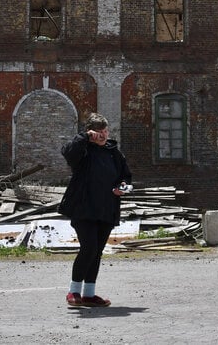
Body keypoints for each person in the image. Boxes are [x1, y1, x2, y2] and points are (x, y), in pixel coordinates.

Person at [58, 112, 132, 308]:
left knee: (97, 251)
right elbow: (67, 152)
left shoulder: (114, 152)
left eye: (105, 131)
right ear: (90, 132)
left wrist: (123, 187)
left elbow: (126, 177)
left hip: (107, 209)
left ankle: (89, 294)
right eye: (98, 132)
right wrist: (85, 137)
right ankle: (73, 291)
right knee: (88, 248)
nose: (103, 135)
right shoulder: (83, 151)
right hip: (84, 209)